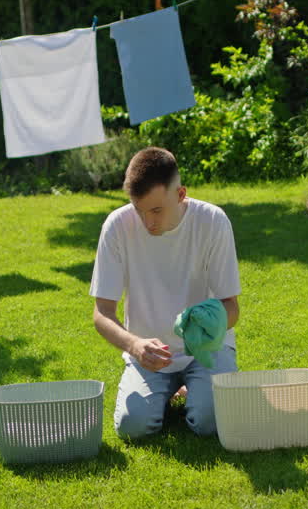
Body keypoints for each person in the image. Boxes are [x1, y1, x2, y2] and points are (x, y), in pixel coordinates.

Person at [90, 146, 241, 439]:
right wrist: (134, 345)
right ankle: (177, 388)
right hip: (149, 356)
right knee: (132, 429)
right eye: (139, 210)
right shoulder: (116, 226)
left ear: (181, 194)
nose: (148, 223)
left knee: (209, 423)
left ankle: (193, 388)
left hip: (208, 350)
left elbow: (232, 308)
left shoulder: (213, 221)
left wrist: (208, 322)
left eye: (157, 210)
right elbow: (102, 313)